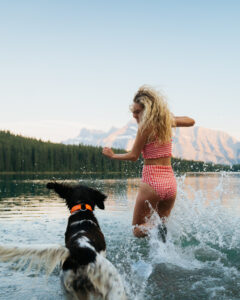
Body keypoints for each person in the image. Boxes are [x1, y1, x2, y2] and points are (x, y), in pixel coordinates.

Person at [102, 86, 195, 239]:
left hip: (152, 183)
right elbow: (191, 121)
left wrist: (112, 156)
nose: (134, 115)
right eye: (133, 111)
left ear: (148, 110)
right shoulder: (166, 122)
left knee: (137, 230)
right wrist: (167, 117)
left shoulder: (145, 128)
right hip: (170, 184)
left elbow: (133, 156)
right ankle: (162, 256)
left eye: (137, 111)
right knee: (161, 226)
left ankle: (156, 228)